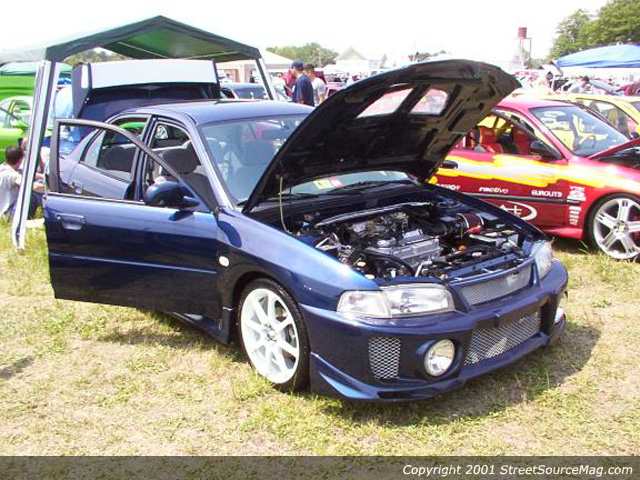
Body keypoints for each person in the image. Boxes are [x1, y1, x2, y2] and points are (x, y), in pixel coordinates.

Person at [0, 146, 44, 219]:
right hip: (7, 213)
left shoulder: (3, 168)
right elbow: (32, 186)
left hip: (4, 210)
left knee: (39, 182)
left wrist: (42, 176)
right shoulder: (11, 175)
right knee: (32, 194)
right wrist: (49, 188)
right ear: (20, 160)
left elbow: (25, 173)